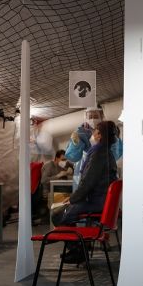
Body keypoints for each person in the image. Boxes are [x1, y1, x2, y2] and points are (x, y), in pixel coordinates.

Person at [55, 121, 119, 263]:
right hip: (103, 201)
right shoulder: (106, 152)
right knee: (65, 211)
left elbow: (88, 182)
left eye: (94, 131)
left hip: (97, 202)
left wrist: (72, 198)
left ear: (99, 135)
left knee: (58, 215)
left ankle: (78, 250)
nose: (92, 134)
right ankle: (77, 248)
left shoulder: (98, 153)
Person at [65, 107, 122, 191]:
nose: (92, 119)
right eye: (90, 116)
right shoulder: (80, 132)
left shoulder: (109, 131)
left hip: (104, 173)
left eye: (95, 116)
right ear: (85, 116)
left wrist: (102, 144)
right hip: (84, 173)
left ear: (102, 116)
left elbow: (115, 155)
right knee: (83, 194)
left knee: (102, 195)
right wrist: (76, 144)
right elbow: (73, 157)